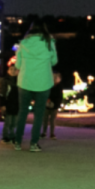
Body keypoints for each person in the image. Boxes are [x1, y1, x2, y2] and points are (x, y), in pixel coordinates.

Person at [14, 17, 58, 152]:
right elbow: (54, 61)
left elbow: (18, 65)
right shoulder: (49, 42)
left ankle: (17, 142)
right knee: (39, 114)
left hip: (25, 81)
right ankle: (34, 143)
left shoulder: (23, 43)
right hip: (43, 81)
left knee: (22, 112)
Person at [0, 56, 20, 144]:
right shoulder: (5, 81)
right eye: (11, 69)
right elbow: (2, 93)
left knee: (15, 122)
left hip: (17, 104)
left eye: (15, 69)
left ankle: (13, 136)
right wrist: (3, 104)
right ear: (8, 70)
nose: (13, 71)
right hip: (8, 104)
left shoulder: (19, 81)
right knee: (8, 121)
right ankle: (5, 136)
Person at [45, 70, 64, 139]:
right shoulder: (48, 84)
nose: (55, 78)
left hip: (55, 105)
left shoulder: (59, 86)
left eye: (57, 76)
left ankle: (52, 133)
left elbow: (60, 96)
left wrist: (57, 104)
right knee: (45, 119)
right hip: (47, 104)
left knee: (52, 120)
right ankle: (44, 133)